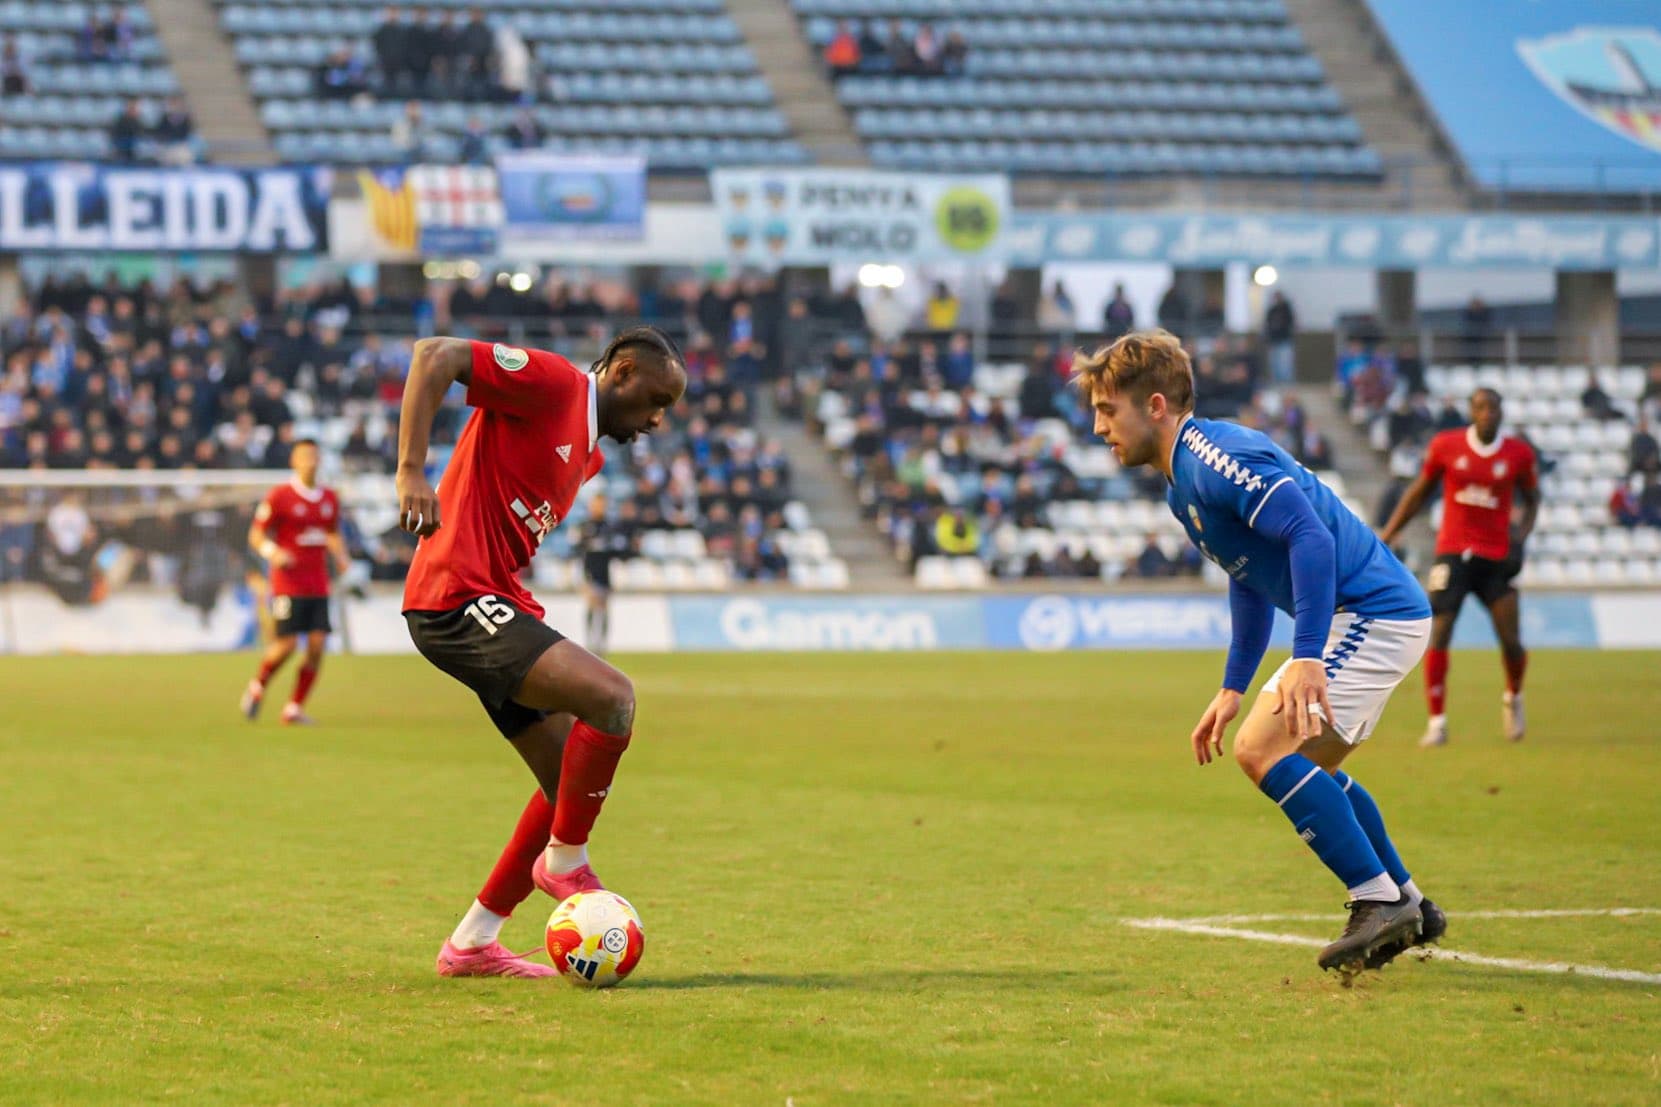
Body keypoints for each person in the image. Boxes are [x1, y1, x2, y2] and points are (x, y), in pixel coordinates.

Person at [1077, 330, 1441, 978]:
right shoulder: (1181, 482)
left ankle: (1376, 898)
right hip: (1358, 619)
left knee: (1258, 749)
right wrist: (1232, 685)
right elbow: (1246, 573)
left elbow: (1306, 534)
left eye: (1107, 410)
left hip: (1369, 615)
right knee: (1306, 766)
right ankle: (1408, 900)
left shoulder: (1213, 456)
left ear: (1154, 404)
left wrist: (1304, 655)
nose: (1098, 425)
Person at [396, 329, 686, 978]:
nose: (657, 418)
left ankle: (471, 943)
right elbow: (433, 355)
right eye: (654, 398)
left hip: (494, 600)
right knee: (612, 698)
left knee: (565, 788)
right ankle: (564, 863)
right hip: (454, 595)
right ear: (621, 369)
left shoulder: (589, 456)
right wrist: (412, 469)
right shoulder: (553, 382)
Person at [1379, 389, 1539, 748]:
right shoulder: (1446, 446)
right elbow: (1419, 491)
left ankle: (1513, 696)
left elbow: (1533, 499)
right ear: (1471, 412)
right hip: (1452, 552)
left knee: (1511, 641)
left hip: (1496, 556)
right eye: (1480, 408)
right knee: (1440, 631)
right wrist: (1389, 533)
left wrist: (1521, 536)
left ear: (1501, 413)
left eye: (1493, 408)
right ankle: (1437, 722)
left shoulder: (1518, 454)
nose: (1487, 414)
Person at [240, 438, 351, 725]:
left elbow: (332, 532)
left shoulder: (329, 498)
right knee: (287, 644)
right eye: (304, 456)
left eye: (314, 456)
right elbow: (256, 535)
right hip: (288, 583)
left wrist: (341, 555)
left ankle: (294, 708)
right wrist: (273, 552)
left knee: (317, 644)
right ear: (294, 461)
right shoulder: (280, 496)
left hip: (318, 582)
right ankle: (258, 686)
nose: (310, 461)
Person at [576, 493, 635, 656]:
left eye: (602, 504)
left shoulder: (610, 526)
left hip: (605, 574)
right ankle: (589, 641)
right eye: (596, 504)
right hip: (589, 573)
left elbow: (619, 551)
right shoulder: (584, 526)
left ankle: (601, 644)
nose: (598, 507)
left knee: (604, 609)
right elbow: (578, 548)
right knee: (591, 607)